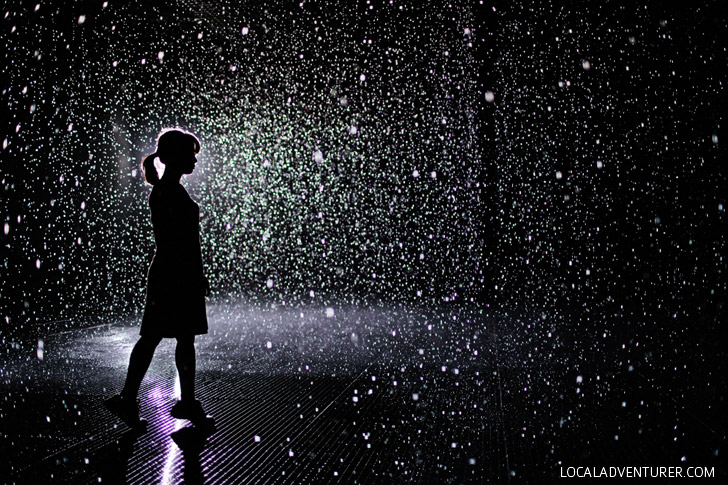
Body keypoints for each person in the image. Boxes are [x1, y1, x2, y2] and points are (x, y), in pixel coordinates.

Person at [105, 128, 212, 429]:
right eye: (190, 153)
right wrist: (194, 272)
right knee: (173, 337)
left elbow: (181, 240)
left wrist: (195, 272)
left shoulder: (166, 190)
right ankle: (179, 402)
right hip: (175, 272)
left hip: (172, 271)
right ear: (176, 156)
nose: (194, 159)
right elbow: (182, 240)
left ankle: (132, 398)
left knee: (159, 337)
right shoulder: (168, 192)